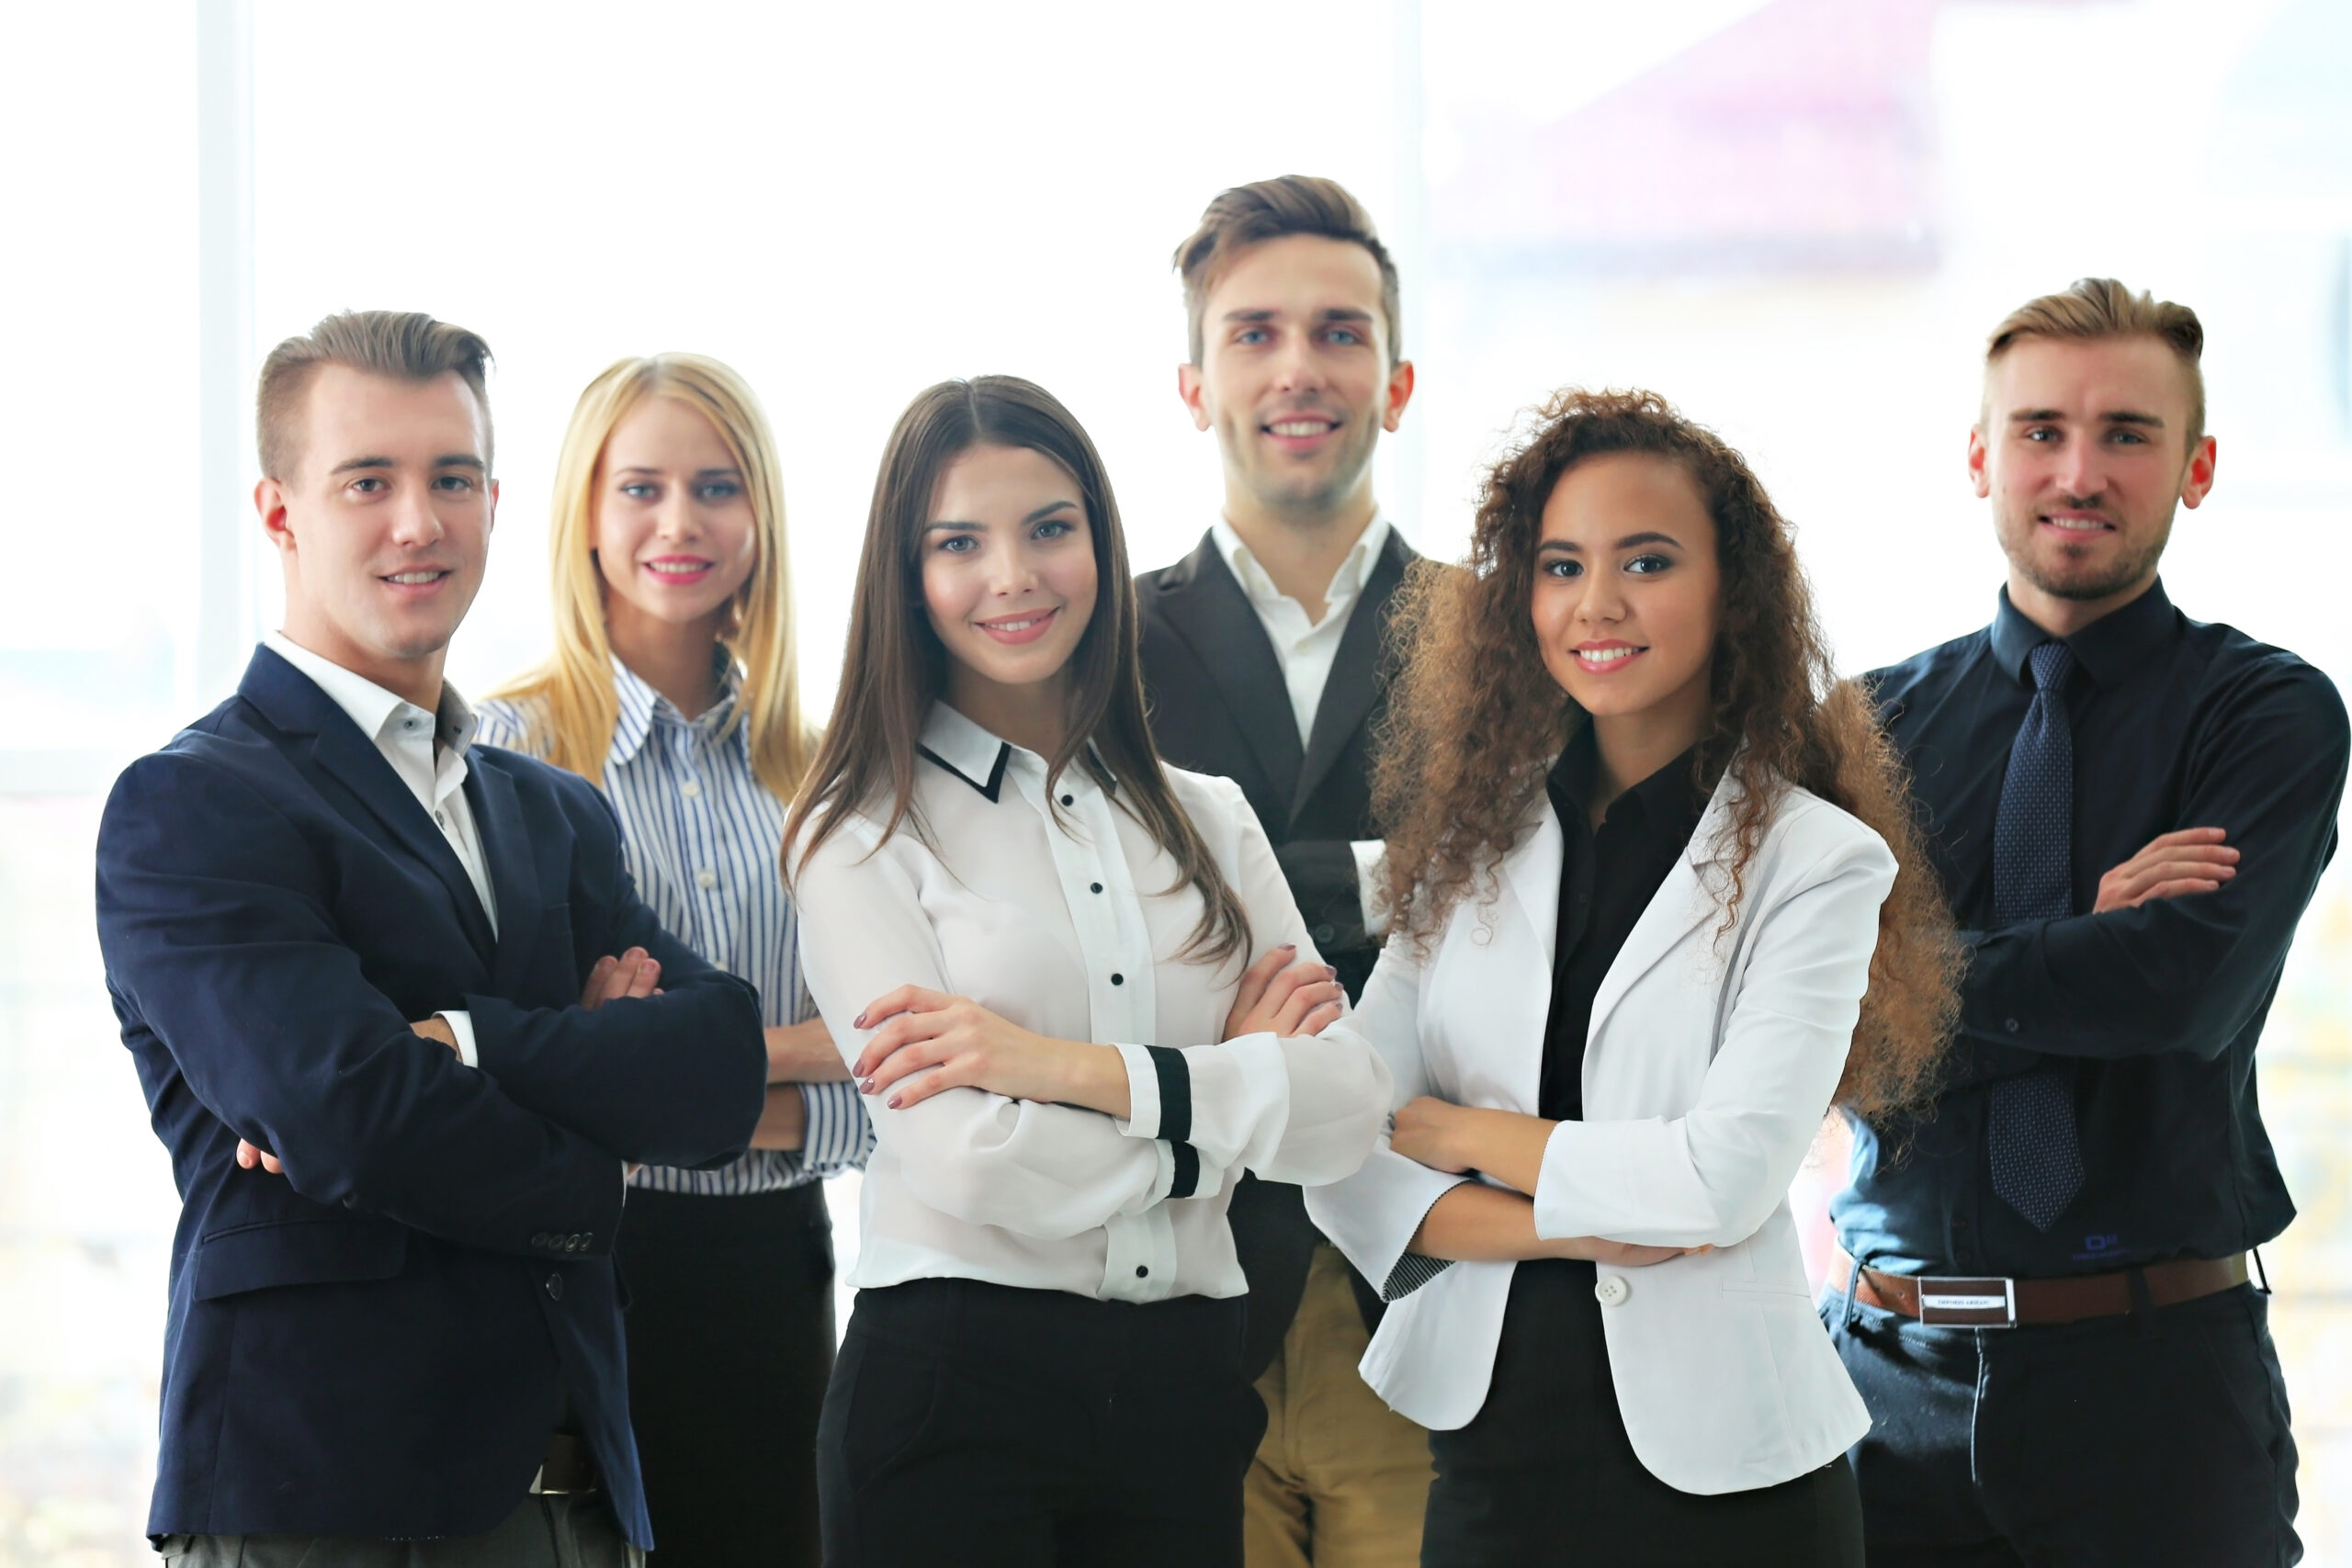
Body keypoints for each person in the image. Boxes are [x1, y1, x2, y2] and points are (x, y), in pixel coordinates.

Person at [95, 310, 769, 1565]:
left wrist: (458, 1039)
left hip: (581, 1504)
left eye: (452, 478)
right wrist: (594, 1135)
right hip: (328, 1501)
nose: (420, 521)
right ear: (280, 508)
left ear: (498, 501)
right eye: (369, 481)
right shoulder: (196, 801)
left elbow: (721, 1061)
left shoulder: (554, 809)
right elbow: (351, 1110)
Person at [1306, 389, 1962, 1566]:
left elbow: (1719, 1180)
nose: (1595, 604)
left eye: (1645, 561)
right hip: (1487, 1474)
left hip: (1733, 1496)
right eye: (1560, 566)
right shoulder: (1465, 842)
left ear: (1732, 592)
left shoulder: (1816, 860)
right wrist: (1573, 1231)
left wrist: (1454, 1128)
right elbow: (1344, 1152)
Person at [784, 375, 1393, 1567]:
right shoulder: (857, 832)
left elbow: (1348, 1111)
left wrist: (1060, 1072)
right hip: (954, 1392)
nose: (1012, 575)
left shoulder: (1213, 823)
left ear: (1102, 549)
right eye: (960, 542)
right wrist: (1219, 1109)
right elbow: (968, 1156)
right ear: (907, 577)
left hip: (1185, 1392)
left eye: (1050, 528)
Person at [1824, 278, 2348, 1567]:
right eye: (2041, 429)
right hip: (1877, 1391)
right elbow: (1805, 1030)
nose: (2080, 468)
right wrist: (2085, 934)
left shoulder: (2266, 714)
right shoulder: (1862, 732)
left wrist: (1915, 977)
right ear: (1980, 458)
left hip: (2156, 1390)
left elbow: (2178, 992)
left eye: (2127, 432)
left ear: (2197, 465)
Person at [474, 353, 870, 1566]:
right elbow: (519, 1076)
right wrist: (794, 1056)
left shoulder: (830, 768)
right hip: (583, 1265)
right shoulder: (508, 751)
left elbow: (889, 1079)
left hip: (778, 1278)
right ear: (586, 515)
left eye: (715, 486)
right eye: (640, 486)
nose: (680, 522)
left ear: (761, 515)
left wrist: (652, 1073)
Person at [1137, 175, 1430, 1568]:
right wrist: (1390, 878)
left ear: (1398, 374)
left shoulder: (1515, 637)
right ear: (1194, 383)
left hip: (1428, 1286)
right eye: (1253, 333)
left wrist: (1242, 892)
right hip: (1173, 1284)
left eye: (1337, 330)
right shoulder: (1091, 648)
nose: (1298, 367)